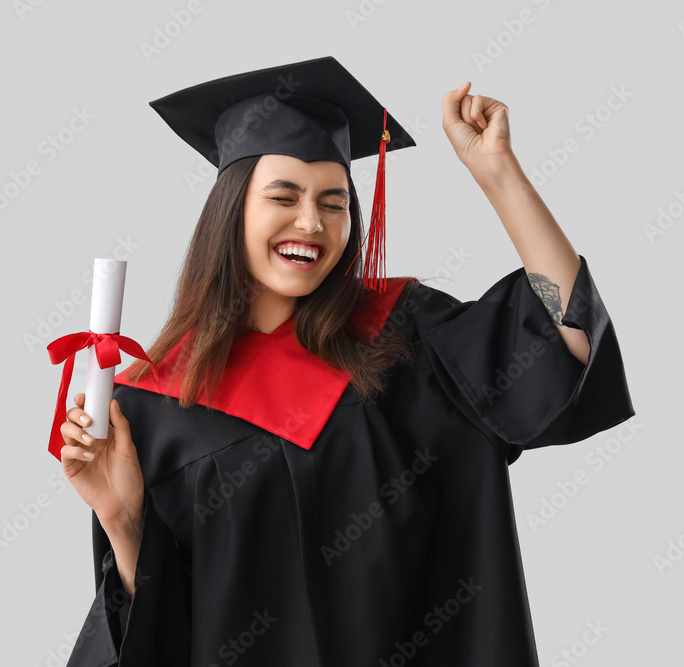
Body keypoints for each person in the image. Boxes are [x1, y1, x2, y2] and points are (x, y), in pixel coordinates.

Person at [52, 56, 635, 666]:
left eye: (334, 202)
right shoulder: (150, 409)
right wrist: (122, 521)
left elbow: (572, 345)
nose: (312, 221)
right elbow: (157, 639)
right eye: (283, 196)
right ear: (231, 211)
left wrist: (499, 174)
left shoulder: (411, 336)